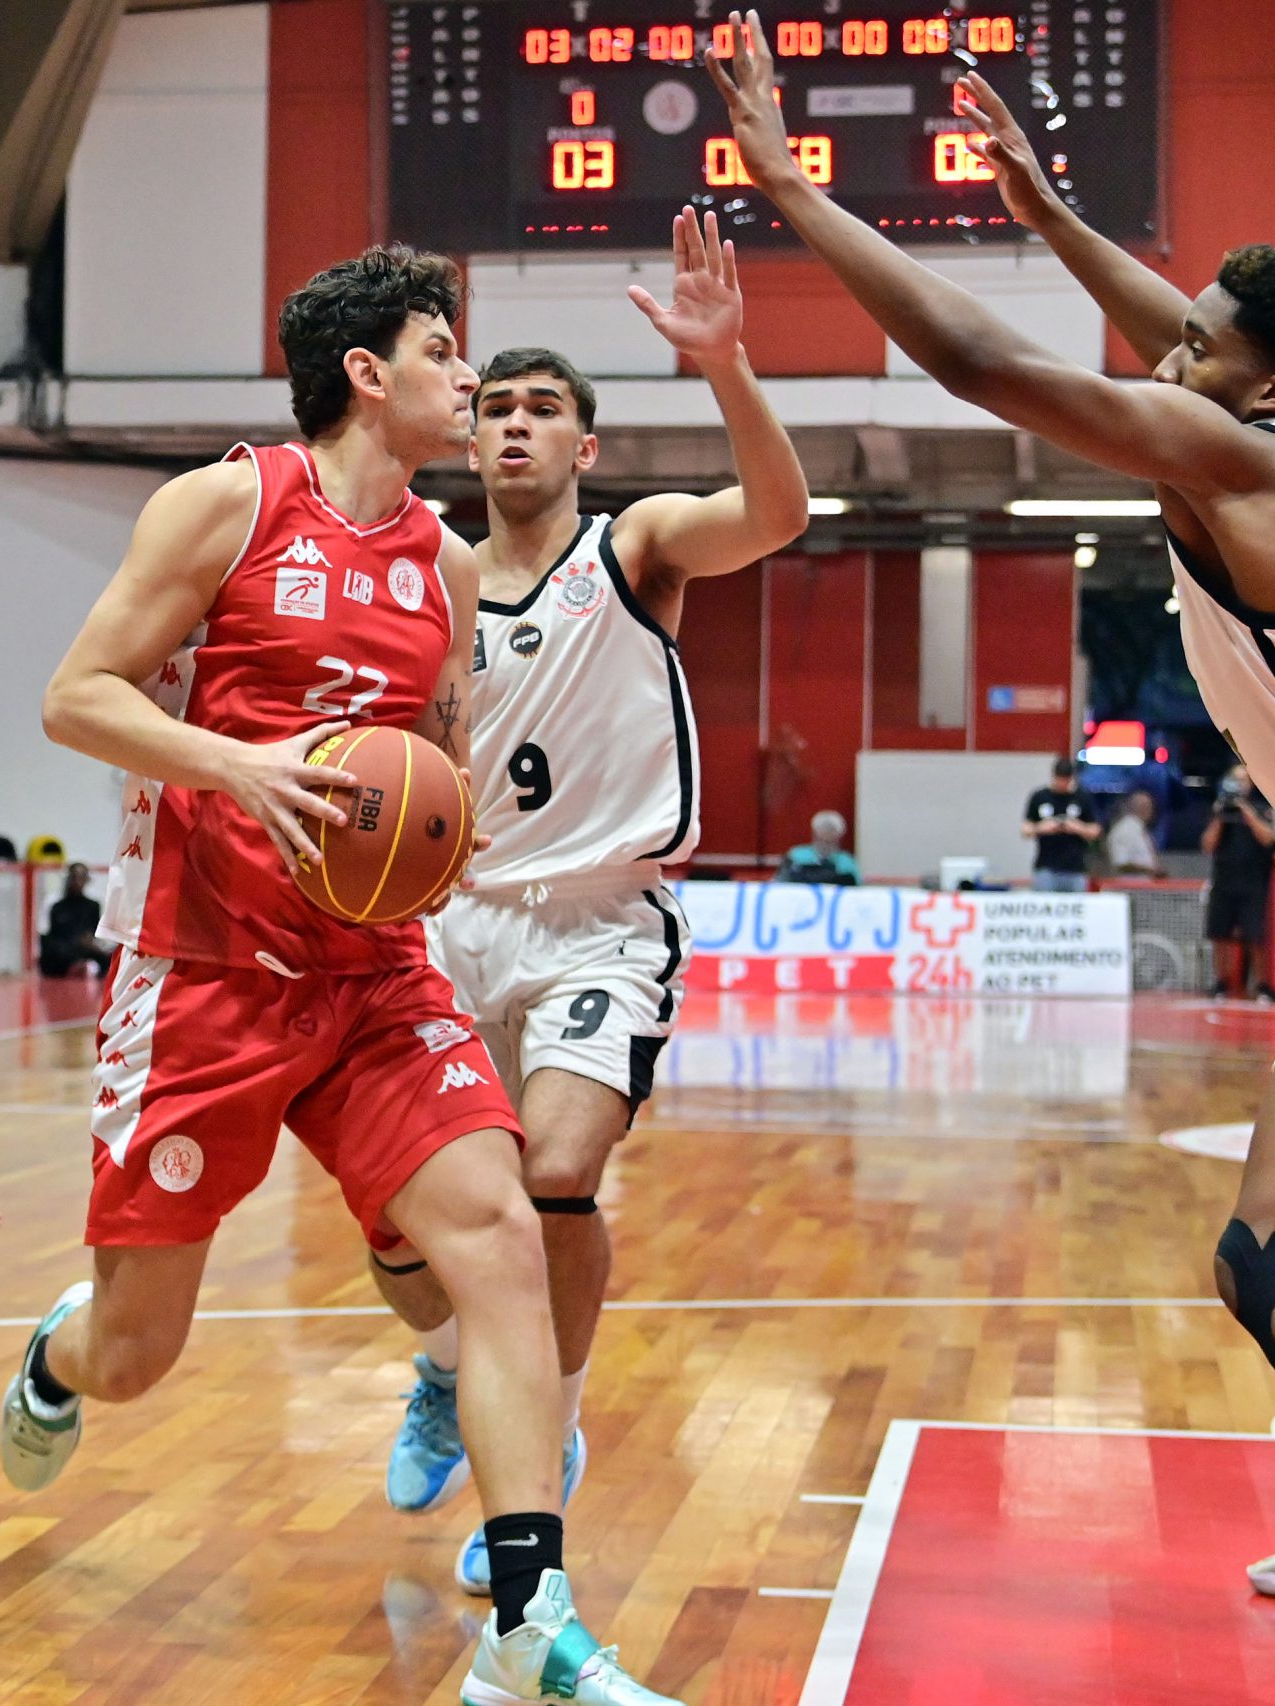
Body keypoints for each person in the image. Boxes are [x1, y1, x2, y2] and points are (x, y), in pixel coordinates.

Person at [703, 22, 1275, 1699]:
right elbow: (1188, 325)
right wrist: (1046, 212)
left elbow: (981, 364)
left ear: (1266, 388)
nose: (1168, 351)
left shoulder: (1250, 458)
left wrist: (795, 191)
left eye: (1198, 348)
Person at [10, 245, 679, 1705]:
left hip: (374, 970)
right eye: (443, 350)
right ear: (368, 374)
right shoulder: (230, 503)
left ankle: (526, 1626)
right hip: (207, 968)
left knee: (501, 1236)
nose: (469, 376)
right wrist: (237, 767)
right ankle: (58, 1359)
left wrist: (444, 835)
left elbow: (435, 759)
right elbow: (77, 694)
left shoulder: (444, 564)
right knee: (137, 1350)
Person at [370, 213, 807, 1598]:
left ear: (585, 445)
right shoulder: (424, 578)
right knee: (395, 1217)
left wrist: (724, 363)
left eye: (542, 409)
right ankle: (447, 1372)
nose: (513, 424)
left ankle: (545, 1433)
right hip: (448, 921)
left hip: (600, 921)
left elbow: (778, 516)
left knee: (554, 1174)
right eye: (494, 406)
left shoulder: (637, 550)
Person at [1203, 762, 1275, 996]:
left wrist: (1246, 810)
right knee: (1220, 934)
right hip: (1224, 880)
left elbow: (1269, 840)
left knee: (1255, 937)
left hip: (1254, 881)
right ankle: (1221, 983)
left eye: (1243, 779)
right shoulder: (1220, 810)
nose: (1238, 784)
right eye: (1235, 779)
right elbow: (1207, 845)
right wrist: (1220, 816)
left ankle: (1262, 986)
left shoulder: (1261, 807)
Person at [1022, 757, 1099, 891]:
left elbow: (1095, 831)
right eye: (1059, 779)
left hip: (1075, 869)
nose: (1062, 784)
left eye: (1066, 780)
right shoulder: (1040, 797)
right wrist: (1042, 828)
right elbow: (1025, 830)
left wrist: (1077, 827)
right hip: (1046, 868)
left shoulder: (1081, 798)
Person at [36, 861, 113, 978]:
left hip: (86, 949)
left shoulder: (93, 906)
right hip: (63, 950)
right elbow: (48, 934)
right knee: (53, 952)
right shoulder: (56, 906)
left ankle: (86, 966)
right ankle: (75, 967)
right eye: (74, 878)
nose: (77, 882)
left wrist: (90, 942)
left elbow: (96, 933)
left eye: (81, 878)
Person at [777, 809, 860, 886]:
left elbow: (856, 889)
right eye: (823, 830)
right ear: (814, 834)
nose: (826, 837)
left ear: (839, 836)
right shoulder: (796, 855)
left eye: (831, 830)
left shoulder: (847, 861)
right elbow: (780, 883)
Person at [1106, 788, 1165, 877]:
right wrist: (1150, 869)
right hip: (1128, 884)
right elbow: (1121, 863)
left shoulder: (1140, 830)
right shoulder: (1124, 830)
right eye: (1151, 808)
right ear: (1145, 808)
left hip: (1146, 884)